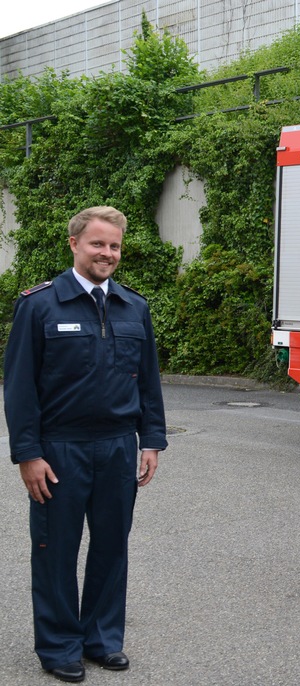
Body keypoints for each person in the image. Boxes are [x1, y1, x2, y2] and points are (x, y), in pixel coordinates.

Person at [4, 206, 166, 683]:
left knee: (112, 547)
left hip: (118, 446)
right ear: (74, 244)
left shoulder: (134, 307)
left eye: (114, 246)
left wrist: (151, 440)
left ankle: (100, 639)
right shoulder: (40, 305)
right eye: (98, 244)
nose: (107, 253)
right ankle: (58, 647)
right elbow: (19, 389)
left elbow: (149, 383)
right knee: (56, 549)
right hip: (59, 451)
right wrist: (28, 454)